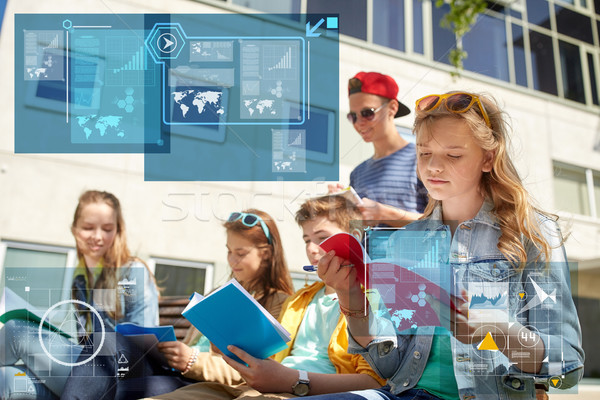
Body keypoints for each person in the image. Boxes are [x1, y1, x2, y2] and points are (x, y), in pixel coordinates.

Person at [311, 91, 584, 399]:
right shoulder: (406, 240)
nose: (433, 168)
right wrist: (351, 300)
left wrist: (498, 331)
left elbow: (568, 364)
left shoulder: (533, 233)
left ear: (488, 158)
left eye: (453, 156)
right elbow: (390, 367)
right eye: (424, 153)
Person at [145, 195, 386, 400]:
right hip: (259, 386)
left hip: (299, 390)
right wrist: (229, 348)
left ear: (354, 236)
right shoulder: (299, 300)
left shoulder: (376, 298)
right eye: (306, 240)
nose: (312, 248)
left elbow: (375, 382)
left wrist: (293, 380)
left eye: (322, 238)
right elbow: (269, 360)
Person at [61, 209, 295, 400]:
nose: (232, 260)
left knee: (122, 390)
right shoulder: (219, 293)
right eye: (229, 251)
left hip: (199, 381)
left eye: (241, 253)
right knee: (108, 339)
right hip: (173, 368)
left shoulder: (280, 303)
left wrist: (192, 360)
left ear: (265, 254)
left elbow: (260, 371)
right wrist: (171, 350)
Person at [0, 190, 159, 400]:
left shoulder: (132, 272)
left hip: (116, 374)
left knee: (16, 332)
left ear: (118, 231)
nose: (98, 237)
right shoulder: (81, 280)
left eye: (108, 229)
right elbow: (83, 341)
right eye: (88, 228)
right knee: (6, 379)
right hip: (85, 370)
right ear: (74, 229)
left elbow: (144, 345)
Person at [329, 71, 428, 227]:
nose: (359, 123)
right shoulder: (358, 173)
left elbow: (443, 223)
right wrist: (339, 207)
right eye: (353, 116)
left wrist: (384, 213)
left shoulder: (422, 159)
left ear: (392, 108)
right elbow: (356, 229)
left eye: (367, 113)